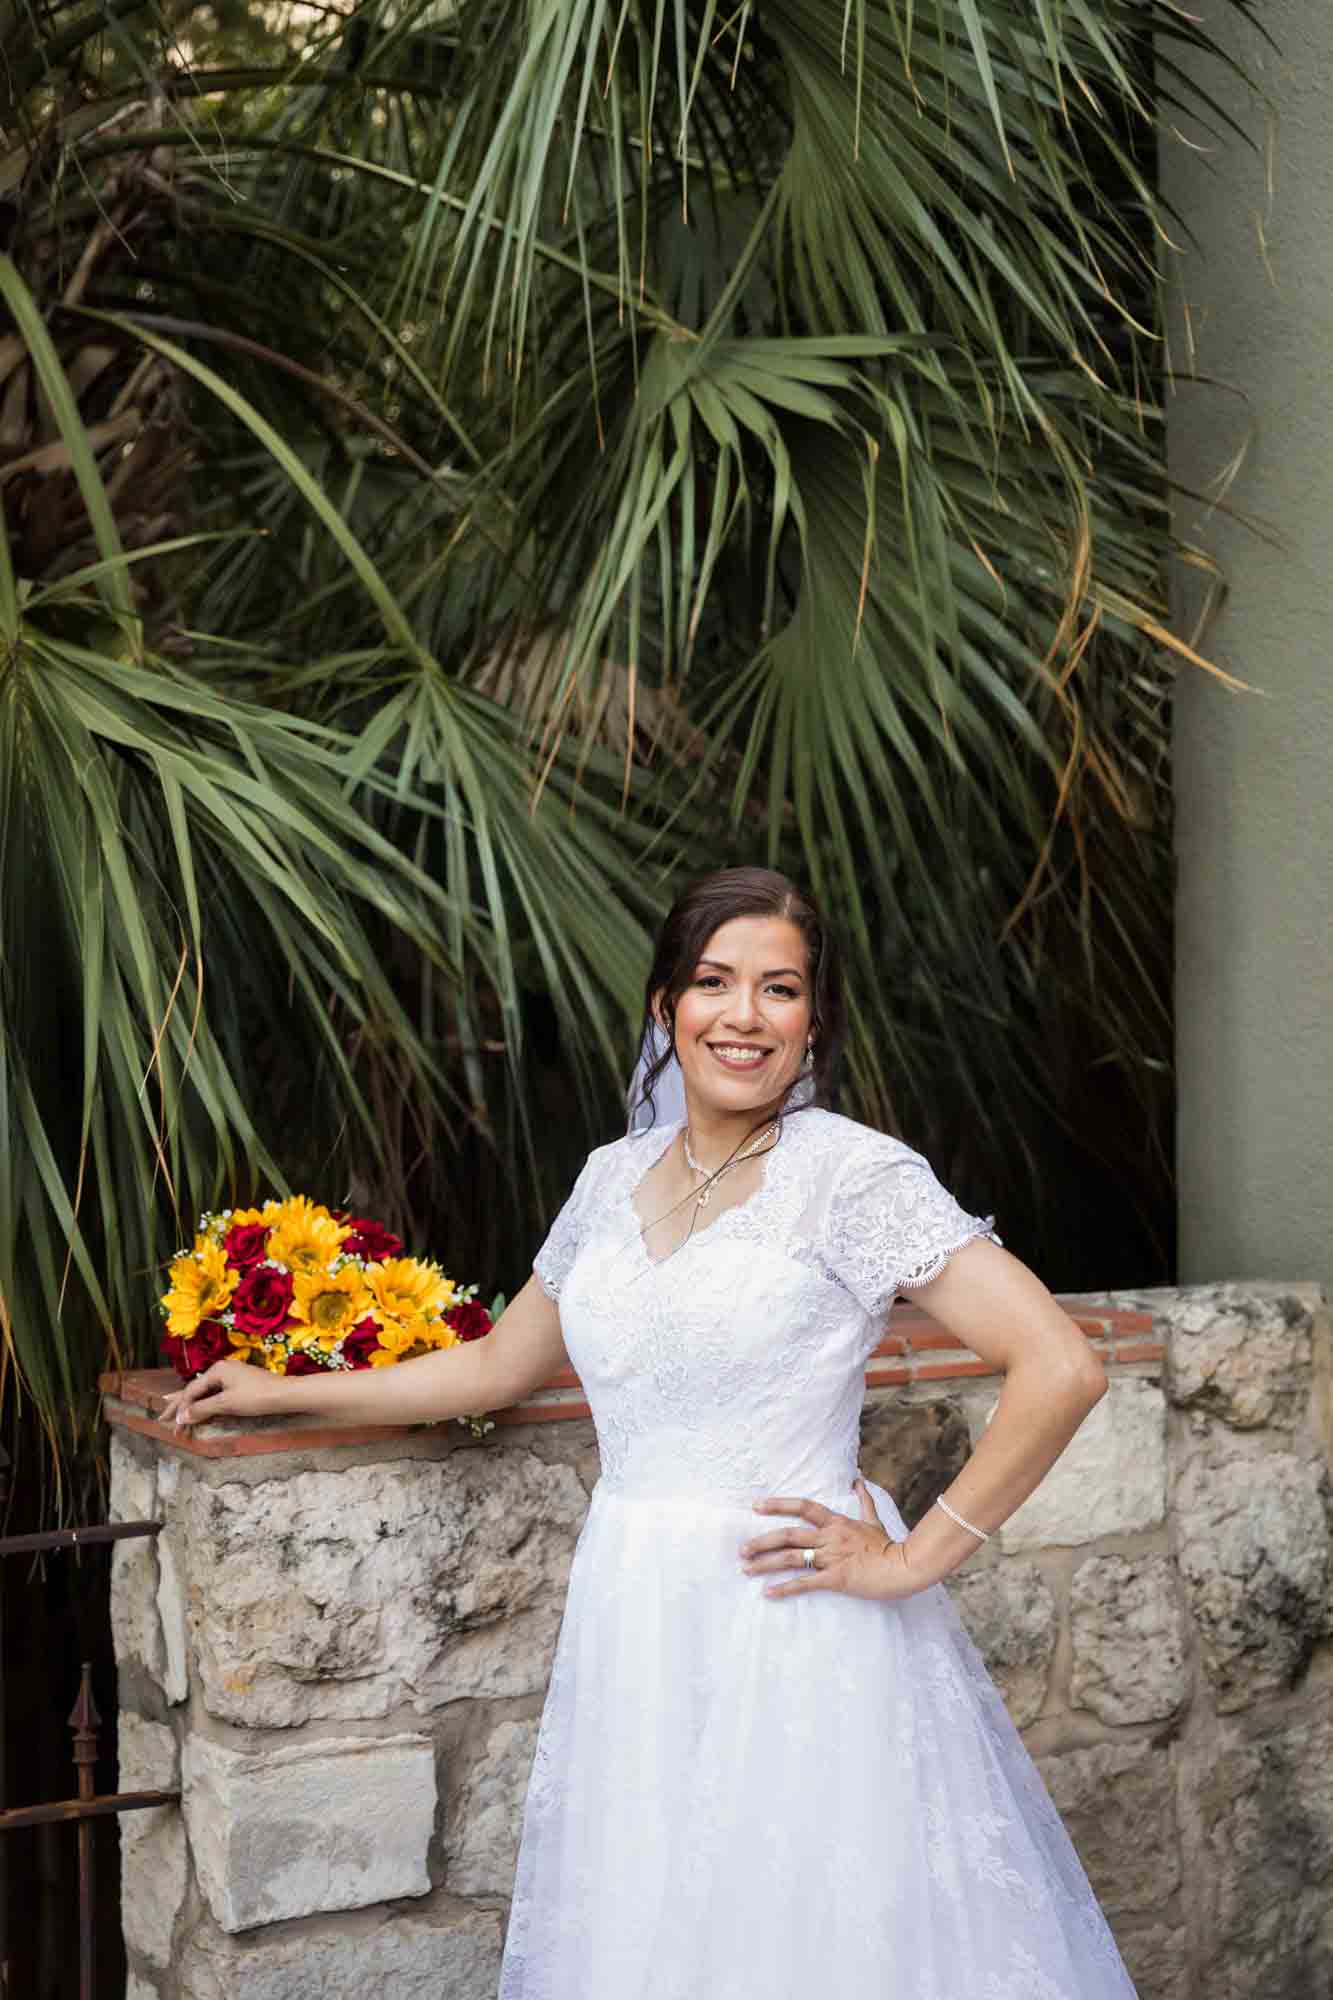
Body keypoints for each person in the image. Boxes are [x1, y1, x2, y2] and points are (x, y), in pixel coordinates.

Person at [165, 867, 1137, 1999]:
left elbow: (1060, 1364)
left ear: (812, 1021)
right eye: (715, 981)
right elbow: (493, 1365)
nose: (744, 1014)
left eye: (779, 989)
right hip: (637, 1624)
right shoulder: (608, 1177)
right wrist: (281, 1389)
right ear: (665, 1004)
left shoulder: (850, 1175)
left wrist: (916, 1554)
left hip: (794, 1624)